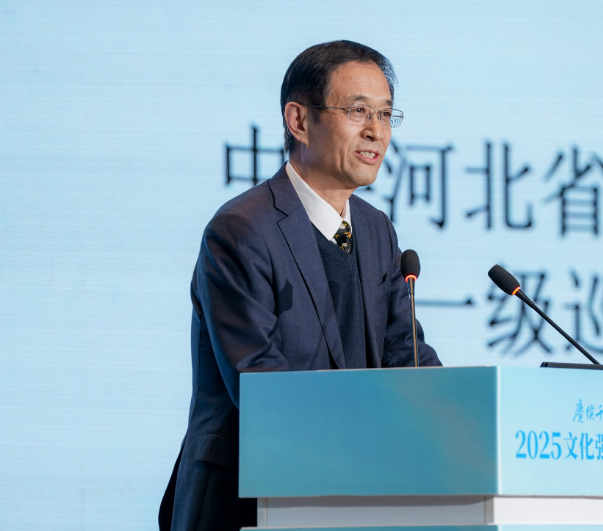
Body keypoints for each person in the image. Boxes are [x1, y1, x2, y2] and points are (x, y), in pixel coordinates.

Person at [158, 40, 441, 531]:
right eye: (358, 111)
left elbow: (406, 355)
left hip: (353, 497)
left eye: (385, 114)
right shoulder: (242, 230)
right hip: (248, 501)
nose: (376, 131)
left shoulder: (376, 230)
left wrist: (461, 411)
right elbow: (260, 385)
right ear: (299, 120)